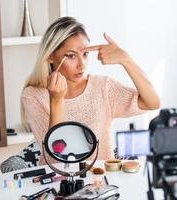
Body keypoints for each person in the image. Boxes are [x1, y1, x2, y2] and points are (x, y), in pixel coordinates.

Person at [21, 17, 160, 164]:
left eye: (85, 54)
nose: (82, 65)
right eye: (71, 56)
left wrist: (125, 59)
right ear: (50, 57)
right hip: (58, 182)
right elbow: (57, 158)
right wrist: (56, 100)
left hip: (100, 181)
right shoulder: (33, 96)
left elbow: (153, 103)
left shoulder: (103, 87)